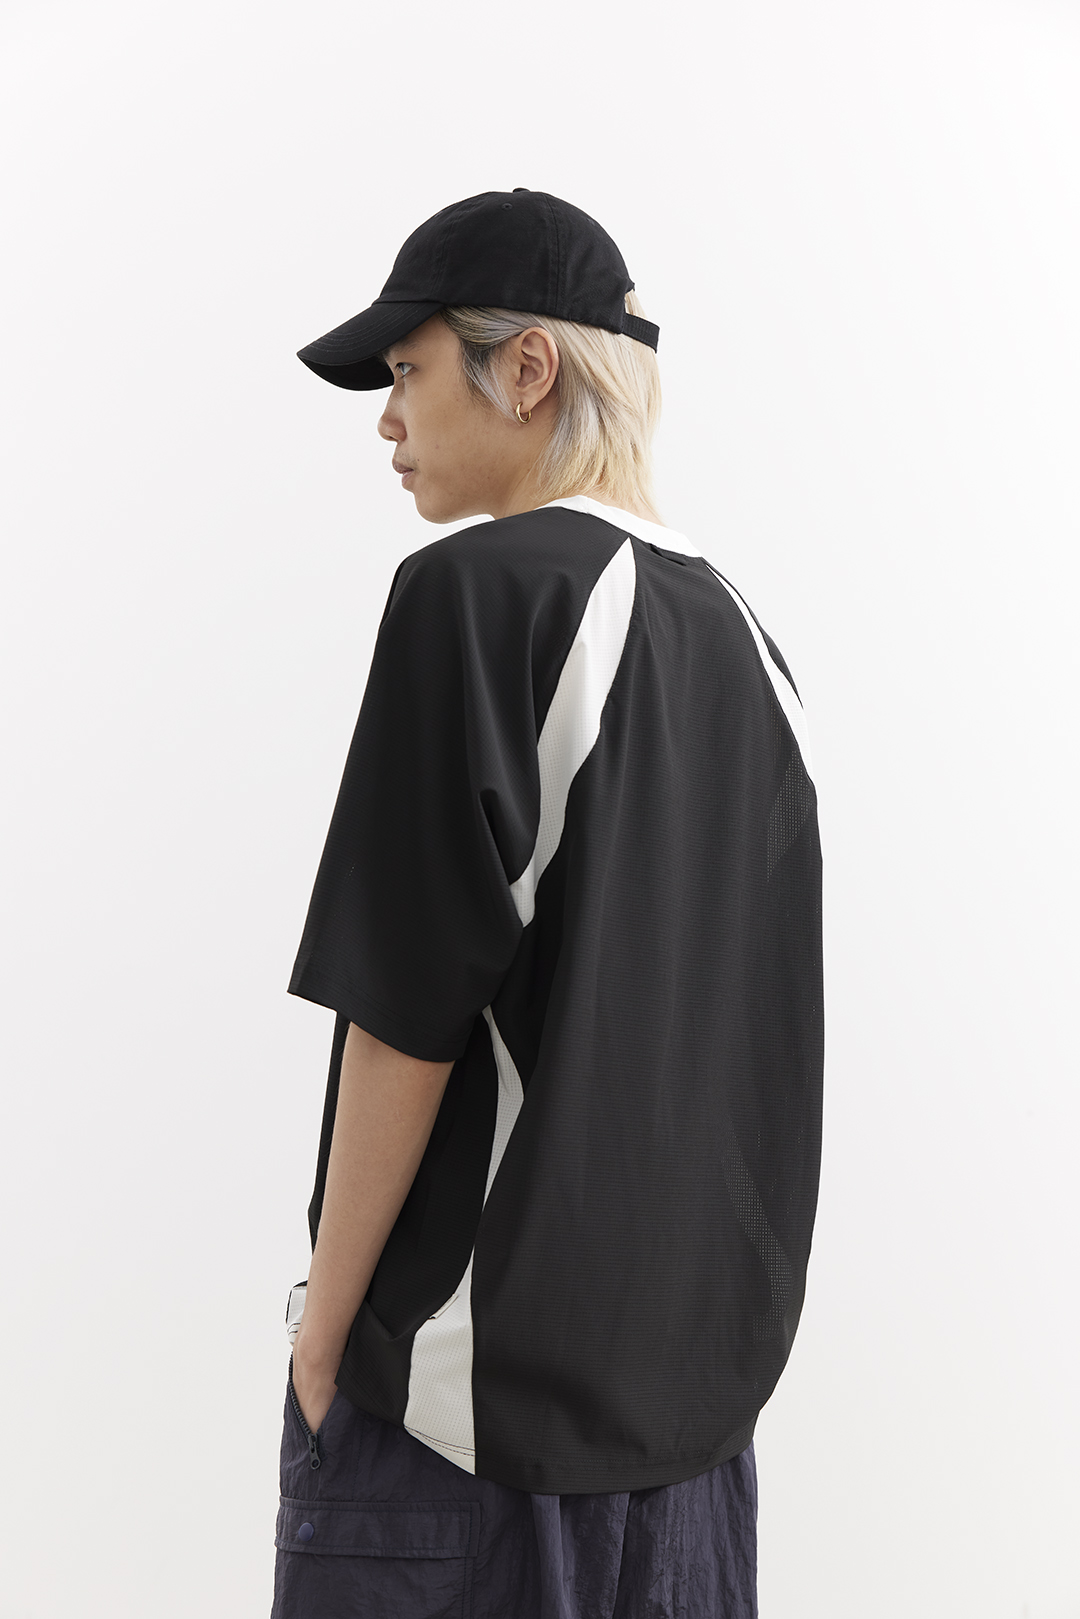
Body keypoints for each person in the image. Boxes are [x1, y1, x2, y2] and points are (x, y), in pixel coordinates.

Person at [273, 188, 823, 1619]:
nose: (387, 420)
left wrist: (323, 1340)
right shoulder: (752, 646)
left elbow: (404, 1013)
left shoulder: (474, 597)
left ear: (526, 370)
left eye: (407, 371)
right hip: (693, 1455)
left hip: (469, 1434)